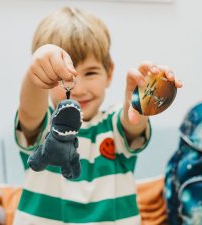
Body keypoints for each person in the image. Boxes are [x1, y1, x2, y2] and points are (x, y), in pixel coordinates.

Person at [13, 6, 183, 225]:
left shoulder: (113, 125)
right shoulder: (45, 126)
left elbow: (132, 123)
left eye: (91, 73)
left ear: (109, 73)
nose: (78, 88)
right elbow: (29, 109)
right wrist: (35, 73)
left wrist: (141, 97)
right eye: (62, 76)